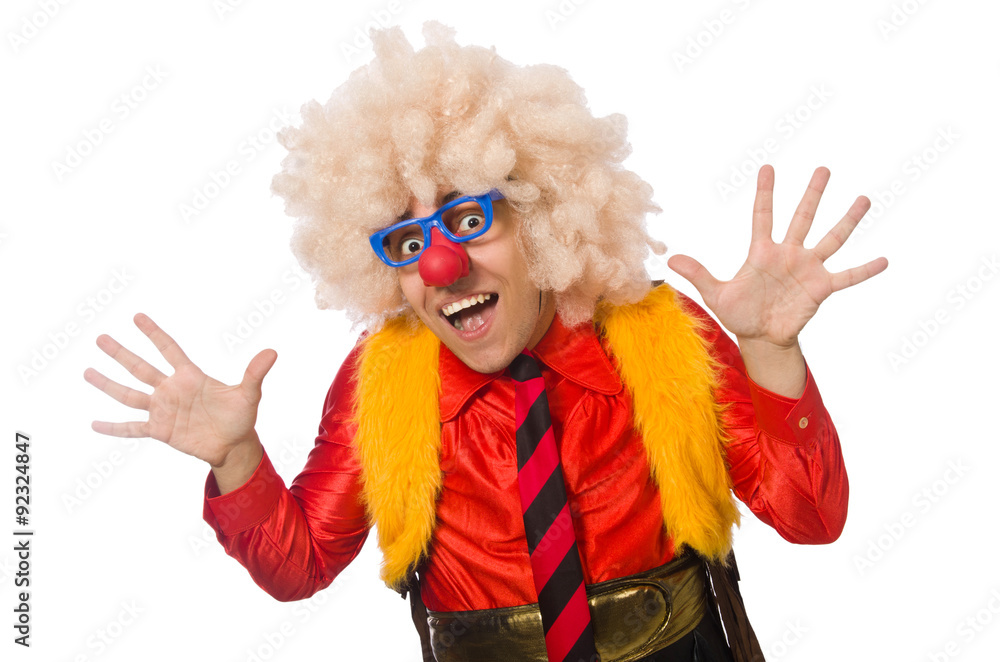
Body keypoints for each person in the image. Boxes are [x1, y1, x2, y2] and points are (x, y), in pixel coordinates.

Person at [85, 22, 887, 662]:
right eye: (407, 243)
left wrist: (770, 353)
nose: (442, 265)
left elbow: (810, 518)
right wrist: (237, 459)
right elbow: (300, 566)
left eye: (469, 220)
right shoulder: (382, 378)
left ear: (540, 217)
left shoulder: (660, 333)